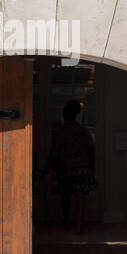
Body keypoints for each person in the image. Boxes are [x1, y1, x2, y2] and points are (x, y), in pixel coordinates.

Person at [45, 99, 97, 234]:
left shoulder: (60, 132)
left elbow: (54, 152)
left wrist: (48, 168)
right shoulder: (83, 131)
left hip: (66, 168)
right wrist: (92, 168)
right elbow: (91, 151)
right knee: (80, 197)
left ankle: (68, 222)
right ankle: (78, 225)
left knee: (66, 196)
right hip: (81, 167)